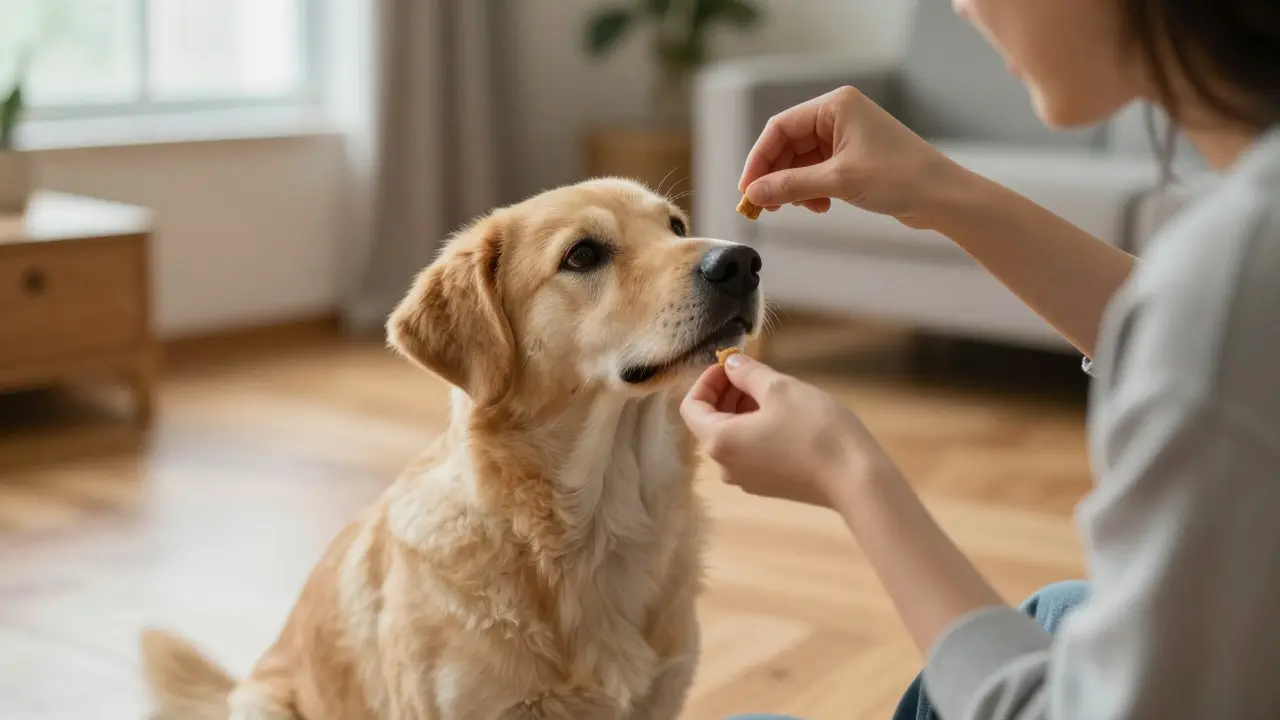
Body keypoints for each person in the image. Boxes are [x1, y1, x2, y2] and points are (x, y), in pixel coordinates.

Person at [679, 1, 1280, 718]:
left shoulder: (1227, 282)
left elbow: (1207, 338)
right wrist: (939, 190)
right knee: (1060, 610)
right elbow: (1212, 351)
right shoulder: (1238, 268)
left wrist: (848, 471)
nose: (960, 6)